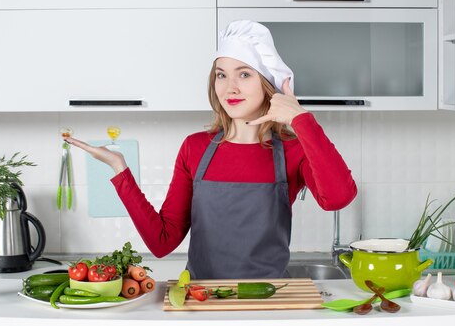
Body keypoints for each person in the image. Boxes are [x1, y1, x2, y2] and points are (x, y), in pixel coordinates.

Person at [65, 20, 357, 279]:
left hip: (269, 301)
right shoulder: (195, 148)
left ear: (267, 83)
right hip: (201, 300)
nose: (230, 87)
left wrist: (301, 119)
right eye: (221, 75)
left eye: (244, 75)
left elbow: (338, 198)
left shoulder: (293, 150)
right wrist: (120, 169)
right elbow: (162, 241)